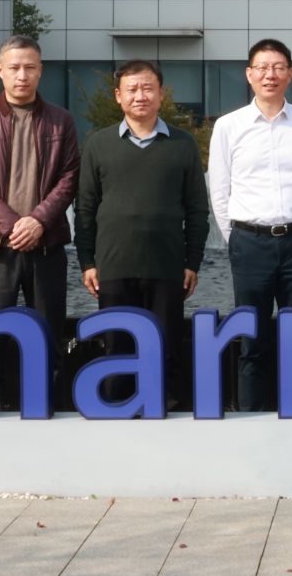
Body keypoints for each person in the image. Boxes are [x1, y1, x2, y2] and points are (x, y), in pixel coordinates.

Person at [74, 60, 209, 410]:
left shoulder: (183, 144)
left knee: (166, 347)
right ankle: (116, 412)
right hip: (113, 266)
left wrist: (192, 262)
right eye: (132, 89)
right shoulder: (98, 144)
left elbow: (197, 210)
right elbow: (85, 209)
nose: (140, 96)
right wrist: (87, 262)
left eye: (148, 88)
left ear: (161, 94)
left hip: (167, 266)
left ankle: (164, 414)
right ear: (118, 96)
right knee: (117, 347)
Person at [0, 35, 81, 411]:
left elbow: (70, 177)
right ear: (0, 70)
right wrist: (13, 226)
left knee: (48, 335)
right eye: (14, 68)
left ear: (41, 71)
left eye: (30, 67)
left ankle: (48, 411)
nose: (22, 75)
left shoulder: (61, 120)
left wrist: (38, 221)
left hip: (46, 245)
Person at [206, 38, 292, 411]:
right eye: (261, 67)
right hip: (250, 244)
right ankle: (251, 418)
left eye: (277, 67)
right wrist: (238, 239)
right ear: (249, 74)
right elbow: (219, 191)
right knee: (251, 338)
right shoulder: (229, 126)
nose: (269, 75)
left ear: (289, 74)